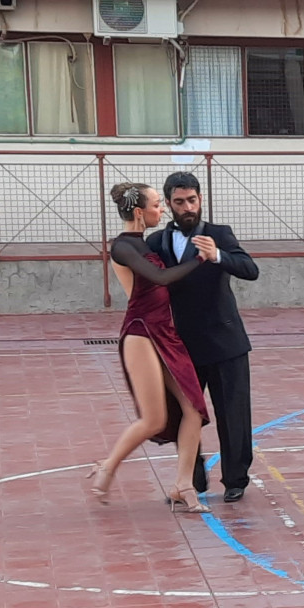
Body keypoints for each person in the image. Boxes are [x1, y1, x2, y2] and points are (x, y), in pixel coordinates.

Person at [87, 183, 213, 513]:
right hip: (141, 332)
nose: (164, 210)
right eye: (158, 204)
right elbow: (161, 279)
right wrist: (201, 258)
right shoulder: (123, 247)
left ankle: (183, 484)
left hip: (165, 332)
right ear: (140, 212)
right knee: (154, 419)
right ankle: (108, 466)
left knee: (194, 409)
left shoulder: (143, 244)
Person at [147, 172, 259, 504]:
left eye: (192, 200)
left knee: (233, 413)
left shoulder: (218, 234)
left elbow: (250, 269)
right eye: (179, 202)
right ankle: (192, 479)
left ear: (200, 199)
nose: (187, 207)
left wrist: (218, 256)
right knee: (186, 414)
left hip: (226, 343)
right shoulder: (156, 243)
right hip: (181, 346)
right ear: (168, 204)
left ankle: (236, 479)